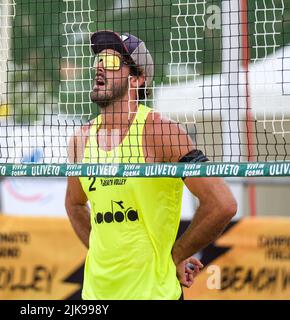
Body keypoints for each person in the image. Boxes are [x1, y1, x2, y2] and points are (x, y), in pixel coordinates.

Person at [65, 30, 237, 300]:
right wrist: (106, 252)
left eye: (111, 62)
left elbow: (222, 203)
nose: (99, 67)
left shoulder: (160, 131)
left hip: (154, 294)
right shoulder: (81, 139)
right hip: (95, 296)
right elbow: (74, 204)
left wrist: (175, 255)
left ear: (137, 78)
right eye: (99, 60)